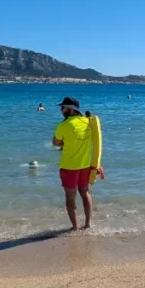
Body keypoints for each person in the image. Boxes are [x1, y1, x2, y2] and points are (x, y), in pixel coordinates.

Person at [53, 97, 94, 231]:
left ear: (70, 109)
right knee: (85, 192)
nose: (61, 110)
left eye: (63, 108)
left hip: (69, 166)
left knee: (70, 197)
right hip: (85, 165)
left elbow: (55, 142)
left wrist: (65, 142)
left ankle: (75, 227)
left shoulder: (63, 125)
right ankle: (88, 224)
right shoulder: (88, 122)